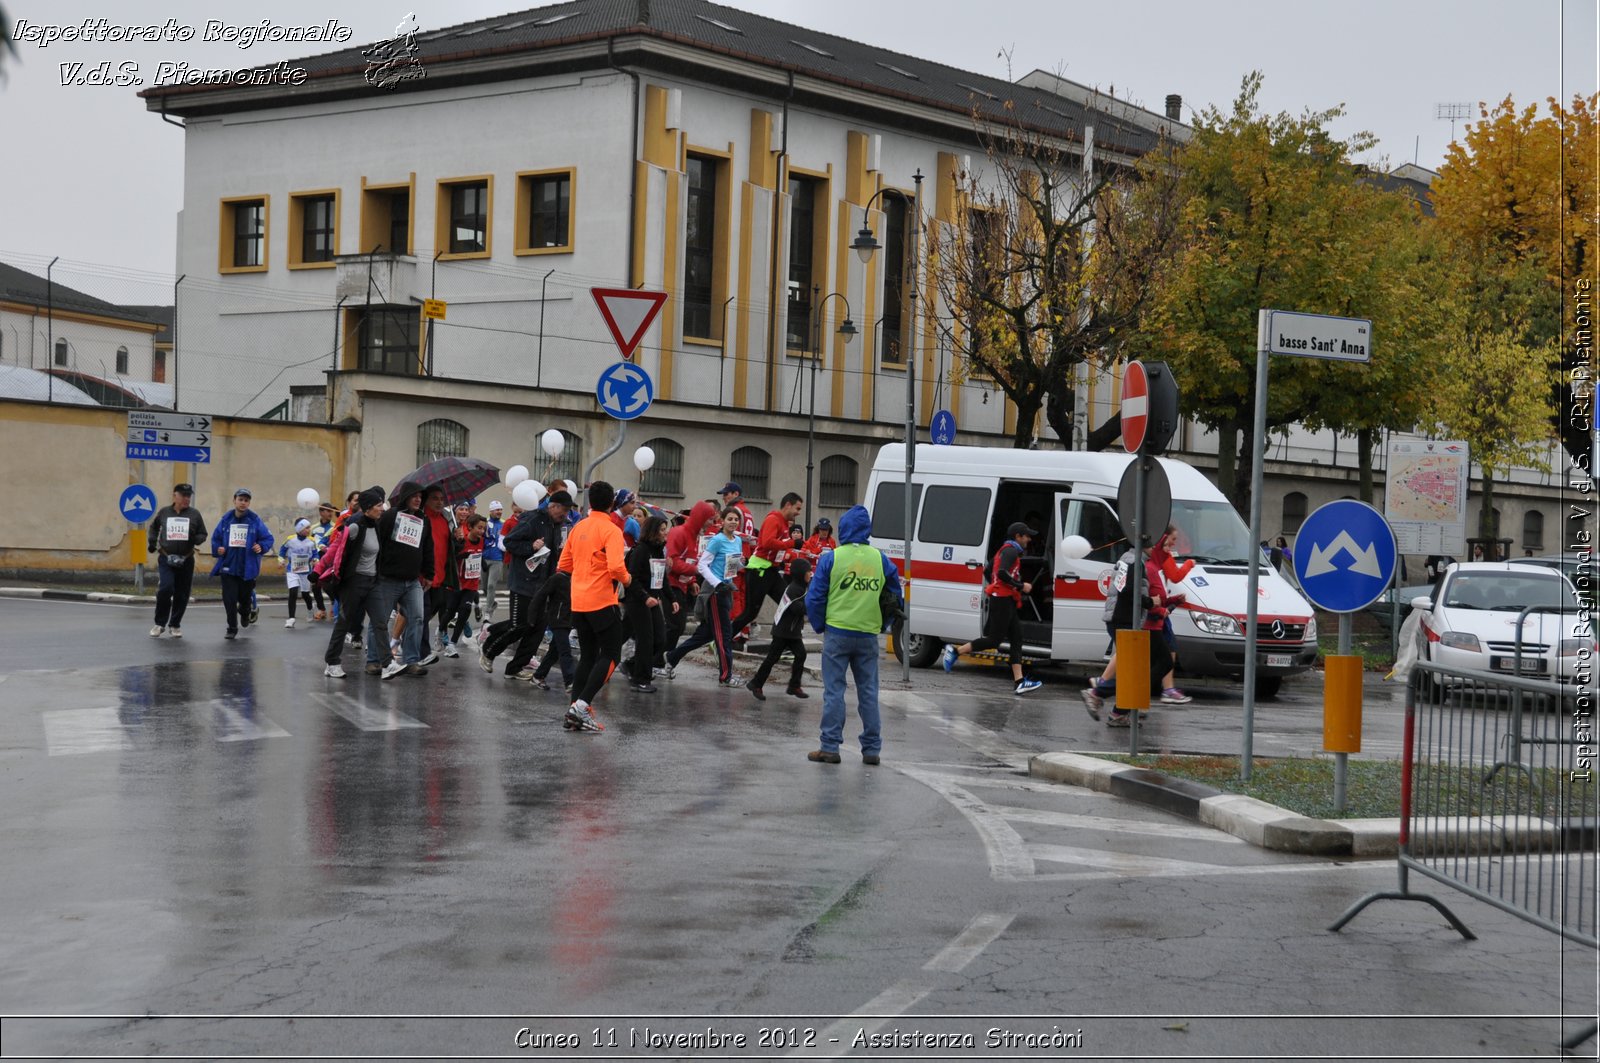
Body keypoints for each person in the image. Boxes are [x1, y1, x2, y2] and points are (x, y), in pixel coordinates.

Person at [804, 504, 902, 765]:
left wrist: (819, 625)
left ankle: (829, 747)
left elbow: (815, 597)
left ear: (844, 528)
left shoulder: (832, 557)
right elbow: (895, 596)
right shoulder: (880, 558)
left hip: (837, 631)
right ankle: (871, 750)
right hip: (868, 634)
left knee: (834, 691)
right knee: (868, 691)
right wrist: (884, 624)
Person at [557, 479, 631, 732]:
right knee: (611, 654)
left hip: (579, 601)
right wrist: (628, 579)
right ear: (611, 503)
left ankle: (573, 709)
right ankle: (581, 705)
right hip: (602, 600)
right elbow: (616, 567)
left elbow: (564, 564)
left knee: (588, 655)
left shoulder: (579, 527)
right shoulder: (611, 530)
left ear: (590, 502)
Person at [939, 522, 1043, 695]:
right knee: (994, 640)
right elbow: (1001, 573)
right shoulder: (1010, 551)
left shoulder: (1005, 550)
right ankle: (955, 651)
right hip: (1001, 600)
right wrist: (1020, 585)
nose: (1029, 539)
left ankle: (1019, 681)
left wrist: (1001, 585)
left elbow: (988, 571)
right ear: (1018, 536)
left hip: (1005, 599)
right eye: (1026, 536)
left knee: (1017, 638)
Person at [482, 490, 570, 679]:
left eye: (568, 511)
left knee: (537, 629)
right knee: (519, 625)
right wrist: (531, 547)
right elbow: (509, 542)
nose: (565, 515)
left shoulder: (557, 525)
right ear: (552, 506)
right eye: (563, 510)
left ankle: (514, 668)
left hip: (544, 585)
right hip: (523, 582)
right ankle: (489, 650)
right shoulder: (532, 519)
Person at [663, 506, 744, 685]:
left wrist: (742, 564)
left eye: (736, 519)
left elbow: (734, 564)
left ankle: (671, 657)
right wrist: (717, 583)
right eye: (729, 519)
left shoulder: (737, 540)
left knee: (706, 634)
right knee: (724, 634)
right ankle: (726, 676)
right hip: (715, 592)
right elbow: (702, 566)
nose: (733, 522)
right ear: (722, 521)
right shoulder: (717, 540)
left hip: (727, 590)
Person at [322, 487, 390, 678]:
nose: (382, 508)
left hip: (373, 581)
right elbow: (337, 552)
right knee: (344, 623)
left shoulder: (376, 525)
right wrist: (322, 571)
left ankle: (387, 664)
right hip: (354, 582)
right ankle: (332, 662)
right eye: (378, 505)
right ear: (368, 508)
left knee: (380, 622)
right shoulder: (354, 527)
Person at [374, 482, 433, 679]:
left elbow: (427, 548)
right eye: (414, 496)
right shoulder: (390, 516)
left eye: (420, 497)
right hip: (388, 579)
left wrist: (429, 574)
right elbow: (378, 542)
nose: (418, 499)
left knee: (417, 617)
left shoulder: (423, 519)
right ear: (405, 496)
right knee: (380, 620)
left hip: (412, 580)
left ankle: (411, 661)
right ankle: (374, 661)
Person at [730, 491, 804, 636]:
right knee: (750, 613)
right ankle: (722, 640)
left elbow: (776, 546)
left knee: (789, 605)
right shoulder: (773, 519)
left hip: (771, 570)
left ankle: (785, 643)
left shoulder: (783, 523)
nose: (798, 513)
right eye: (797, 508)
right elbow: (767, 542)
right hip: (759, 570)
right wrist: (792, 543)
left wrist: (784, 555)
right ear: (788, 505)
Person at [210, 488, 273, 640]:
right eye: (240, 499)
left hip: (247, 568)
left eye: (246, 500)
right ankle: (231, 628)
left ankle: (245, 613)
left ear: (249, 502)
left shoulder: (255, 520)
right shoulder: (226, 520)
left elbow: (268, 539)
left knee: (245, 600)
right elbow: (216, 538)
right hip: (228, 566)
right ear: (234, 500)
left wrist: (261, 547)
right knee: (229, 600)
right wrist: (218, 549)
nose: (243, 503)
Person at [147, 482, 208, 638]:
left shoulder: (194, 514)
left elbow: (203, 534)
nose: (186, 499)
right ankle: (159, 623)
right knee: (165, 588)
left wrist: (195, 538)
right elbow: (154, 527)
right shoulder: (164, 512)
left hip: (186, 559)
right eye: (183, 495)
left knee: (182, 593)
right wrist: (152, 543)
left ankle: (175, 624)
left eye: (189, 496)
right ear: (175, 496)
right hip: (166, 557)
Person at [747, 556, 811, 701]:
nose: (810, 574)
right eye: (808, 572)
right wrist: (812, 607)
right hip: (783, 631)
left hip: (792, 631)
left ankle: (794, 686)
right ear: (801, 573)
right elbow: (796, 608)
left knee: (801, 655)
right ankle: (756, 683)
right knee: (772, 658)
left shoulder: (802, 587)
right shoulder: (794, 589)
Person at [623, 515, 673, 692]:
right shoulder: (641, 551)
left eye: (665, 528)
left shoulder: (658, 550)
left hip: (651, 600)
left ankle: (631, 665)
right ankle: (640, 679)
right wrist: (645, 597)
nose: (665, 532)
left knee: (660, 639)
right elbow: (631, 579)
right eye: (661, 529)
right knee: (646, 640)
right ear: (652, 532)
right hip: (638, 600)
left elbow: (662, 579)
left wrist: (671, 598)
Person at [663, 500, 718, 655]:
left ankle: (659, 660)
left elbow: (689, 559)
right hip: (670, 585)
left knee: (676, 627)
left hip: (681, 586)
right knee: (675, 626)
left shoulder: (694, 536)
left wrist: (692, 581)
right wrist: (696, 571)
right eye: (709, 519)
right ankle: (655, 660)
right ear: (700, 518)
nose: (711, 523)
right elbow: (673, 562)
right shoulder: (679, 533)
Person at [718, 481, 758, 643]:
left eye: (726, 494)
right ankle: (744, 629)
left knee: (733, 593)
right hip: (745, 556)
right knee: (741, 594)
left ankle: (735, 630)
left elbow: (732, 534)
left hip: (734, 555)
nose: (724, 498)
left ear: (735, 494)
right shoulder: (747, 511)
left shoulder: (734, 512)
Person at [440, 515, 486, 653]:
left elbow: (478, 555)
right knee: (450, 612)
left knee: (464, 612)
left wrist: (482, 563)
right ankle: (440, 630)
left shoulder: (481, 541)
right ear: (470, 527)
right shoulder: (462, 540)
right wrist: (461, 556)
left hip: (472, 584)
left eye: (484, 528)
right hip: (458, 583)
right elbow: (452, 558)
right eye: (479, 528)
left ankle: (452, 643)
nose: (482, 531)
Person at [528, 569, 577, 692]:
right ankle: (570, 681)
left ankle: (538, 676)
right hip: (558, 620)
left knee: (554, 651)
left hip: (567, 621)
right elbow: (540, 596)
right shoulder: (557, 578)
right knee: (565, 651)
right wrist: (532, 617)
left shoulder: (576, 578)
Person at [278, 518, 320, 628]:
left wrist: (316, 560)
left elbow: (316, 554)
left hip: (306, 571)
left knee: (305, 594)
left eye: (309, 527)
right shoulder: (290, 540)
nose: (309, 529)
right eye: (306, 527)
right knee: (293, 592)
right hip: (292, 570)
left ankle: (310, 609)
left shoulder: (311, 541)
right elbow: (282, 551)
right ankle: (291, 618)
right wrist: (281, 560)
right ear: (299, 528)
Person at [480, 500, 505, 621]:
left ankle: (488, 612)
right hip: (484, 559)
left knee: (491, 586)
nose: (499, 512)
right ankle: (493, 603)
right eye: (496, 509)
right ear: (491, 511)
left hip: (497, 559)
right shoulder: (484, 524)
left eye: (500, 509)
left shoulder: (504, 524)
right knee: (484, 587)